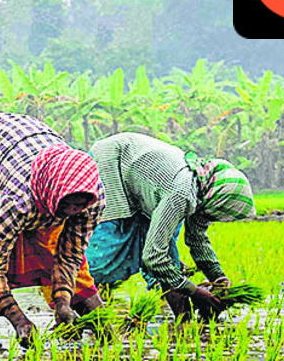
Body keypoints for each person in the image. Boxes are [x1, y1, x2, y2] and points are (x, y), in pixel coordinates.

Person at [0, 113, 106, 344]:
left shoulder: (91, 198)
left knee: (71, 265)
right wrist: (19, 320)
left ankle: (107, 336)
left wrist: (63, 303)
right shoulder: (17, 201)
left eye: (79, 205)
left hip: (33, 156)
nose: (74, 211)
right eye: (69, 204)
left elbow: (70, 256)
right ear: (54, 194)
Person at [86, 132, 255, 320]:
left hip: (144, 185)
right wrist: (194, 291)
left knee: (166, 254)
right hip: (112, 162)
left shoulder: (202, 194)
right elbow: (153, 256)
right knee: (109, 250)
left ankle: (183, 321)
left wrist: (218, 278)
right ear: (219, 200)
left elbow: (197, 240)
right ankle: (73, 304)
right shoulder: (182, 194)